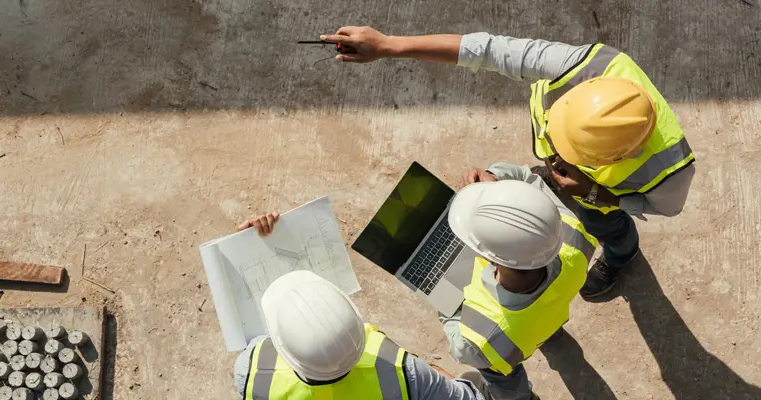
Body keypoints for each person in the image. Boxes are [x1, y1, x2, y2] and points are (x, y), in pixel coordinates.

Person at [320, 27, 696, 299]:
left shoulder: (670, 173)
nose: (554, 155)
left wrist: (599, 195)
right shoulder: (584, 65)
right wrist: (389, 45)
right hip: (584, 184)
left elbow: (665, 209)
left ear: (614, 156)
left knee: (608, 228)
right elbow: (486, 50)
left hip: (599, 198)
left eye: (568, 152)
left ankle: (621, 253)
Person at [232, 213, 486, 400]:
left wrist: (247, 246)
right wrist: (431, 374)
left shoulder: (252, 372)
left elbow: (256, 335)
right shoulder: (403, 371)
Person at [439, 178, 599, 400]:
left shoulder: (481, 340)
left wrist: (444, 306)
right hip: (546, 316)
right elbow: (529, 181)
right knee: (542, 320)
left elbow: (460, 348)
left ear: (487, 257)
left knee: (499, 375)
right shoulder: (574, 236)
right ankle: (550, 335)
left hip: (510, 343)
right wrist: (496, 181)